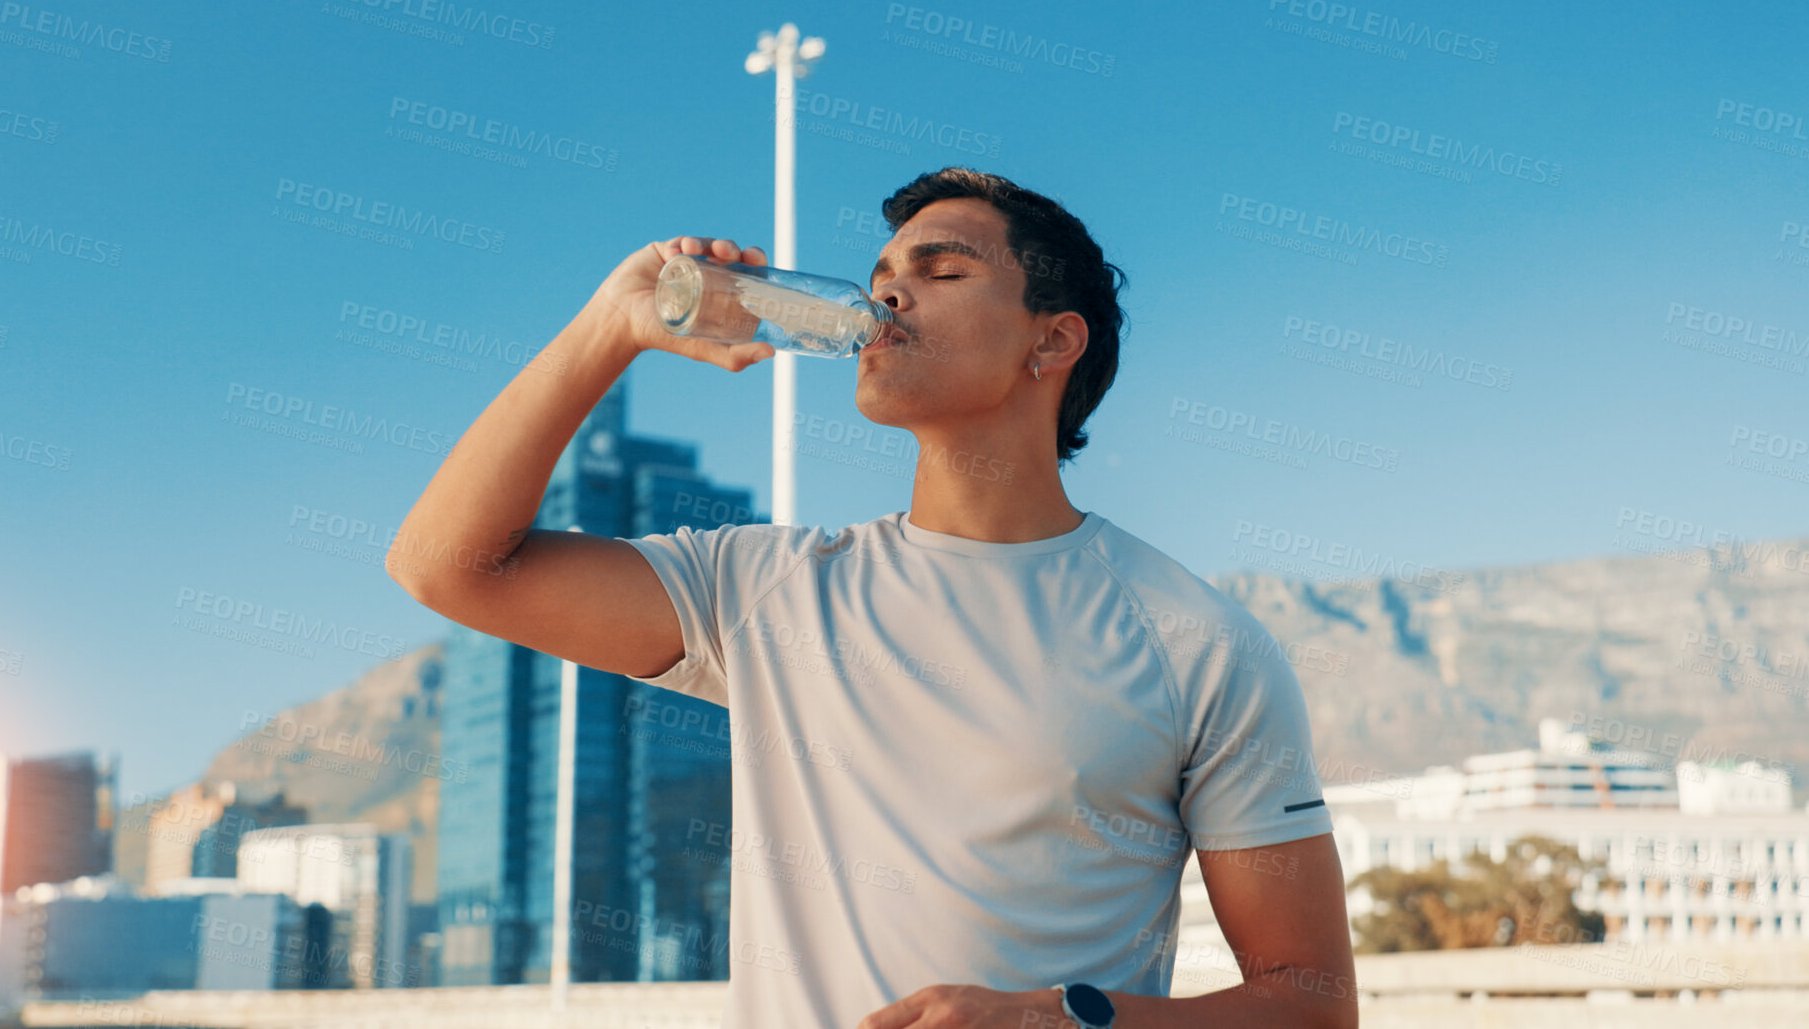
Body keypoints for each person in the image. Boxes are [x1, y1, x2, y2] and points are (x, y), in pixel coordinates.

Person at [388, 167, 1358, 1029]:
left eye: (942, 271)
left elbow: (1310, 1000)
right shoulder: (762, 587)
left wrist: (1059, 1019)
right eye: (886, 269)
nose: (888, 289)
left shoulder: (1198, 640)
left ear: (1052, 340)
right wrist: (610, 323)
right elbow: (446, 564)